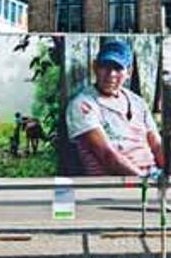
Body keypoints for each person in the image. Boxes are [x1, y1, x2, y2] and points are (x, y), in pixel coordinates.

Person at [65, 39, 164, 176]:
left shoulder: (138, 102)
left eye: (118, 68)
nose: (111, 74)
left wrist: (170, 176)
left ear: (128, 72)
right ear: (95, 67)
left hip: (152, 176)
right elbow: (108, 156)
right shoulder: (83, 104)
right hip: (116, 184)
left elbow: (157, 145)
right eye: (105, 66)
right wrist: (145, 182)